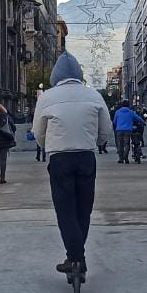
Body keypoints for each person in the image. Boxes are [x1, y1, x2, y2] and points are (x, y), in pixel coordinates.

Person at [33, 53, 113, 279]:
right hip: (86, 156)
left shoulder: (47, 97)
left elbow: (38, 131)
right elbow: (105, 128)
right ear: (79, 74)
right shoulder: (94, 95)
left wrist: (47, 146)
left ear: (55, 75)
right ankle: (78, 256)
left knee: (65, 209)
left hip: (60, 158)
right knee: (83, 208)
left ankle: (75, 257)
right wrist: (95, 143)